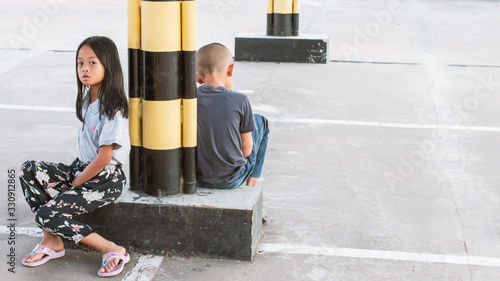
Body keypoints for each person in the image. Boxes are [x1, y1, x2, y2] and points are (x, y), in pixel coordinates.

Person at [19, 36, 131, 277]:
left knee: (46, 213)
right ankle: (52, 241)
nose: (84, 69)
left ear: (108, 66)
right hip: (82, 168)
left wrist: (78, 181)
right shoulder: (86, 99)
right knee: (28, 169)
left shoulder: (113, 107)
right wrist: (76, 175)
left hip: (105, 179)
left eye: (92, 63)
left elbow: (104, 156)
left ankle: (111, 248)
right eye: (80, 63)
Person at [196, 43, 270, 189]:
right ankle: (252, 182)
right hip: (232, 179)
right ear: (230, 69)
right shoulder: (240, 100)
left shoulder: (190, 98)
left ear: (198, 78)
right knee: (261, 122)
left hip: (198, 177)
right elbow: (246, 151)